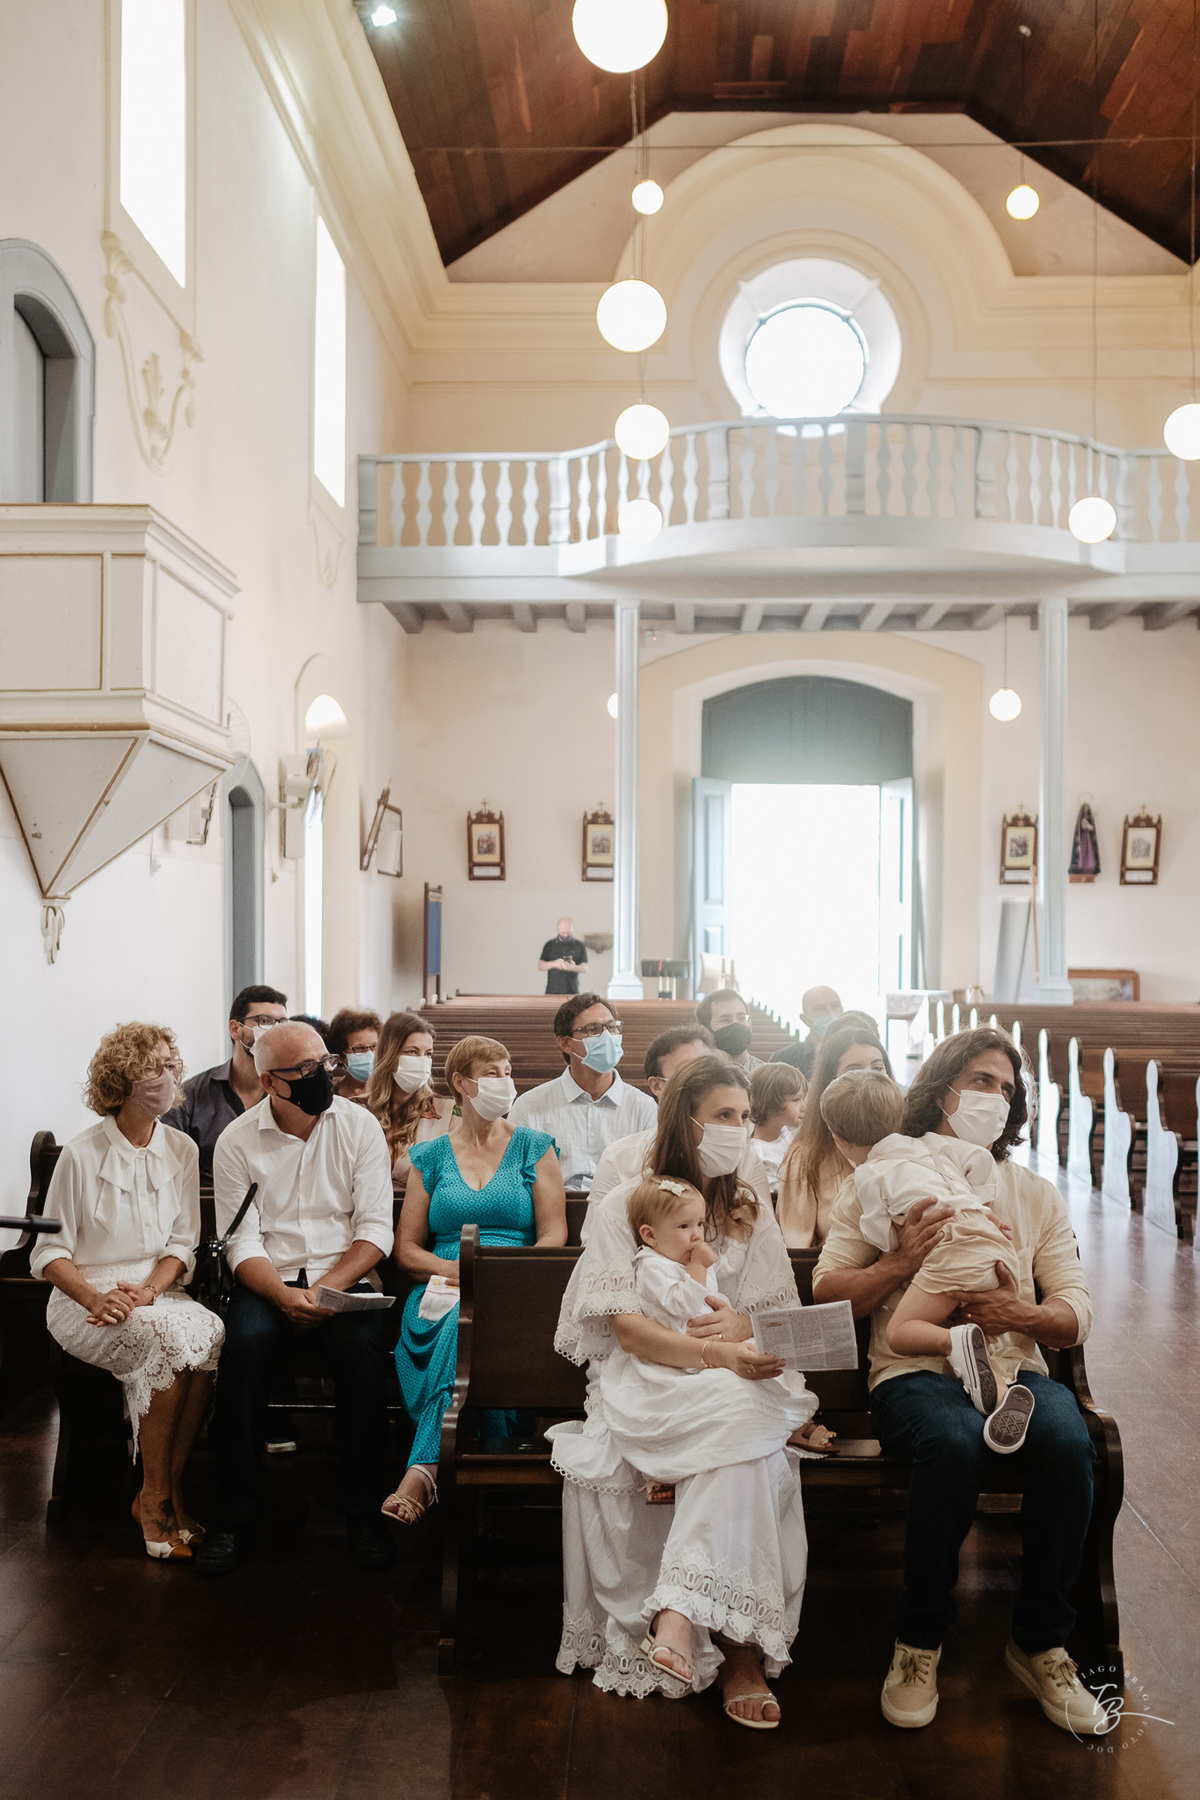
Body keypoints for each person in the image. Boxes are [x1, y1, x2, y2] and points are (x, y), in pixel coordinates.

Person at [812, 1027, 1106, 1738]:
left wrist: (1023, 1312)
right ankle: (920, 1641)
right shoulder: (883, 1176)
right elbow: (826, 1291)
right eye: (980, 1080)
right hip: (913, 1370)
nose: (994, 1098)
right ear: (941, 1089)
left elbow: (1076, 1306)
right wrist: (898, 1261)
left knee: (1069, 1443)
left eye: (1006, 1089)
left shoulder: (1031, 1193)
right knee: (953, 1442)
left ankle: (1041, 1643)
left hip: (1015, 1371)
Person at [550, 1054, 811, 1728]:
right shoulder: (623, 1206)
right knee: (748, 1430)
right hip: (648, 1380)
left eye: (747, 1117)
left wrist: (742, 1324)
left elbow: (772, 1305)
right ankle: (739, 1653)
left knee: (750, 1428)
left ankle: (681, 1613)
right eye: (725, 1116)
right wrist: (714, 1352)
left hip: (728, 1369)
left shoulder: (746, 1203)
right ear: (684, 1120)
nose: (740, 1130)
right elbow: (631, 1333)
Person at [195, 1021, 397, 1577]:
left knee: (362, 1360)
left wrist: (325, 1290)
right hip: (270, 1281)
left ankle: (362, 1512)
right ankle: (235, 1516)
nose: (322, 1076)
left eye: (324, 1063)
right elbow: (241, 1239)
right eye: (304, 1071)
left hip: (345, 1279)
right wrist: (285, 1296)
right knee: (244, 1349)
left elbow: (377, 1228)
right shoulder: (238, 1140)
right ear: (267, 1080)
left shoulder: (359, 1128)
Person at [34, 1023, 224, 1560]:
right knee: (165, 1340)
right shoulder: (82, 1153)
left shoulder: (181, 1148)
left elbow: (183, 1244)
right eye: (152, 1067)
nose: (167, 1077)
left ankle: (162, 1489)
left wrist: (148, 1289)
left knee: (209, 1331)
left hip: (153, 1289)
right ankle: (159, 1501)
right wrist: (97, 1299)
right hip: (85, 1297)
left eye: (170, 1064)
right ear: (121, 1078)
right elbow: (47, 1253)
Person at [383, 1034, 567, 1524]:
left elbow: (553, 1235)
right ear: (460, 1083)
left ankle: (423, 1469)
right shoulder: (432, 1155)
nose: (504, 1082)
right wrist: (457, 1270)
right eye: (491, 1073)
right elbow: (406, 1249)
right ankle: (455, 1477)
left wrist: (503, 1274)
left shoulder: (534, 1146)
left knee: (471, 1323)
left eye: (507, 1072)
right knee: (457, 1322)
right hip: (443, 1281)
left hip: (517, 1284)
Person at [820, 1069, 1034, 1453]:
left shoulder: (868, 1175)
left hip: (951, 1251)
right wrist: (980, 1205)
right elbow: (979, 1160)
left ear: (839, 1139)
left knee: (902, 1332)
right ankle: (1002, 1396)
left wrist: (897, 1252)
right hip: (994, 1243)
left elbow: (879, 1230)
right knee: (969, 1348)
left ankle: (956, 1340)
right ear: (901, 1117)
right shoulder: (934, 1146)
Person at [585, 1024, 771, 1223]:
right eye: (689, 1072)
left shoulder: (744, 1156)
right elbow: (599, 1241)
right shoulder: (620, 1160)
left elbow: (764, 1229)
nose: (707, 1081)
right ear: (657, 1085)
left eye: (710, 1069)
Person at [507, 992, 656, 1192]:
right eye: (592, 1030)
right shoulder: (529, 1106)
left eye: (611, 1028)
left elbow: (653, 1179)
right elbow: (514, 1180)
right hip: (552, 1210)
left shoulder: (644, 1107)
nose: (607, 1037)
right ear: (566, 1043)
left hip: (625, 1213)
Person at [775, 1025, 892, 1248]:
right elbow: (797, 1246)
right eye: (853, 1070)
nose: (868, 1079)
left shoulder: (911, 1143)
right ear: (830, 1083)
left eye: (877, 1068)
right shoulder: (806, 1157)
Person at [163, 985, 289, 1183]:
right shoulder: (191, 1095)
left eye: (281, 1023)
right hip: (209, 1208)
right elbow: (168, 1168)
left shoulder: (289, 1092)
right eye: (265, 1021)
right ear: (235, 1029)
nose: (274, 1030)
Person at [366, 1009, 454, 1193]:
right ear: (389, 1055)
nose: (422, 1061)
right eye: (413, 1052)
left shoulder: (448, 1113)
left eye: (428, 1054)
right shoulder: (357, 1109)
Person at [749, 1062, 807, 1198]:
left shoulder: (785, 1132)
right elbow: (774, 1198)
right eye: (796, 1100)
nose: (804, 1107)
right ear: (770, 1104)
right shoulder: (760, 1154)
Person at [769, 986, 844, 1079]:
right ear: (805, 1019)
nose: (830, 1013)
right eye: (820, 1008)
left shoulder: (857, 1052)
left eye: (835, 1006)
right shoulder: (784, 1059)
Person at [695, 988, 763, 1072]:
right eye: (726, 1020)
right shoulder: (697, 1075)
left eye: (741, 1018)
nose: (736, 1024)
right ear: (706, 1031)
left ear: (750, 1025)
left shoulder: (766, 1076)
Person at [328, 1006, 382, 1104]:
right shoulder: (329, 1094)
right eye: (360, 1049)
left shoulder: (387, 1093)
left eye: (374, 1047)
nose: (370, 1054)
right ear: (340, 1055)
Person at [538, 916, 588, 996]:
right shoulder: (549, 945)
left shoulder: (579, 945)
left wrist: (573, 967)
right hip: (552, 991)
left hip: (572, 990)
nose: (565, 935)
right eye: (563, 932)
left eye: (568, 932)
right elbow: (540, 966)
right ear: (558, 929)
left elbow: (585, 968)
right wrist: (555, 963)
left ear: (572, 929)